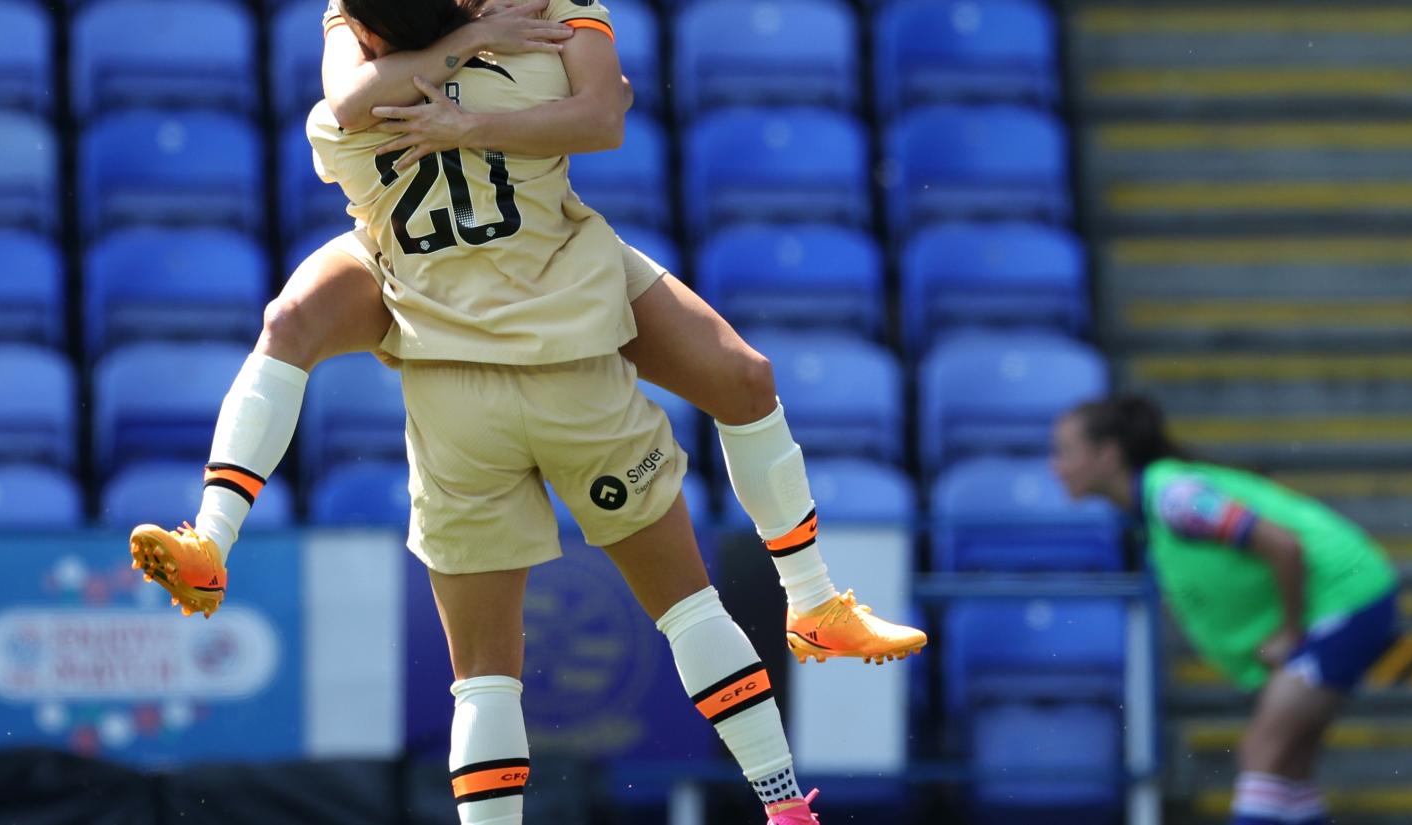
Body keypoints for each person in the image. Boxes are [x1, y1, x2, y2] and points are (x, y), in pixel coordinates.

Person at [142, 1, 919, 822]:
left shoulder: (345, 124)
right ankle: (788, 793)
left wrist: (457, 89)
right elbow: (604, 109)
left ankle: (214, 534)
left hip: (444, 352)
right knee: (694, 593)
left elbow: (346, 99)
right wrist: (479, 76)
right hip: (566, 322)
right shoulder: (530, 60)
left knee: (480, 671)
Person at [1051, 395, 1401, 825]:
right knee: (1290, 767)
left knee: (1262, 753)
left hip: (1347, 598)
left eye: (1066, 452)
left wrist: (1289, 632)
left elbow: (1282, 545)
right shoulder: (1157, 505)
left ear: (1107, 455)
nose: (1056, 467)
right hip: (1344, 597)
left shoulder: (1175, 499)